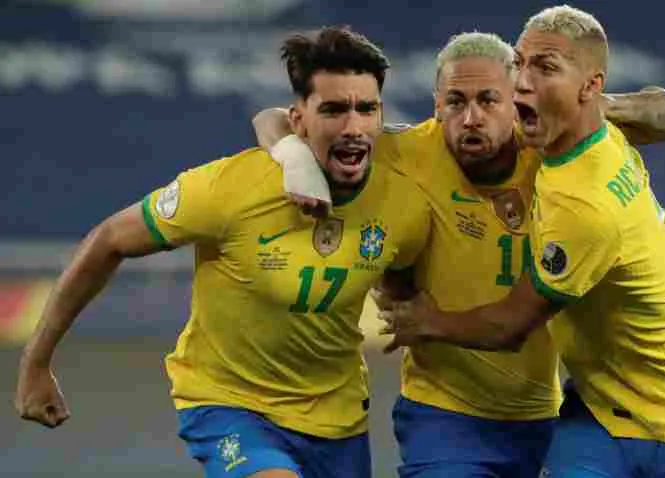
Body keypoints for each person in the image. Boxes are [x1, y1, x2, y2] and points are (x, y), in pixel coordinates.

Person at [253, 29, 665, 478]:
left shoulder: (549, 141)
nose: (470, 118)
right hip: (443, 416)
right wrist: (294, 158)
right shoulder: (404, 151)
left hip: (542, 415)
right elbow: (273, 119)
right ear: (436, 105)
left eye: (489, 100)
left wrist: (594, 106)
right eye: (455, 101)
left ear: (518, 100)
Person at [15, 26, 431, 478]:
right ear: (298, 120)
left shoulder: (404, 190)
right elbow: (109, 240)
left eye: (366, 109)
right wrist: (35, 362)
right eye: (332, 110)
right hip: (231, 405)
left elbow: (403, 263)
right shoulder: (229, 189)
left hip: (337, 416)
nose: (353, 126)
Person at [379, 6, 665, 478]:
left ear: (588, 86)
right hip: (597, 409)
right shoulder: (578, 133)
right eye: (521, 64)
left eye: (545, 68)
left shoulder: (581, 205)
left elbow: (510, 325)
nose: (523, 83)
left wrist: (428, 321)